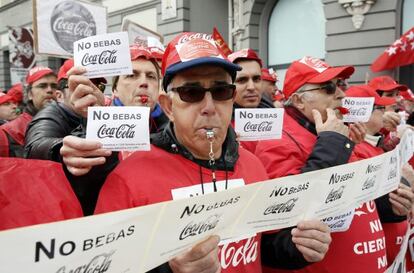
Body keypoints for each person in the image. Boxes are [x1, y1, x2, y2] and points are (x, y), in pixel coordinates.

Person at [91, 33, 331, 273]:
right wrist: (170, 269)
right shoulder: (129, 178)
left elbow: (262, 246)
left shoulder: (252, 164)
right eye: (191, 93)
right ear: (168, 106)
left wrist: (298, 247)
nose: (208, 107)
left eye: (221, 91)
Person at [254, 56, 393, 273]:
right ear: (299, 101)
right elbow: (291, 209)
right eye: (328, 88)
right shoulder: (276, 139)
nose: (341, 94)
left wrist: (393, 207)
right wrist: (333, 144)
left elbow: (359, 198)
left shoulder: (334, 131)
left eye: (340, 85)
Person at [348, 85, 414, 266]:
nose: (386, 113)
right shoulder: (356, 149)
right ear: (363, 114)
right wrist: (405, 180)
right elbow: (376, 198)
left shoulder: (375, 144)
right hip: (379, 243)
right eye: (380, 108)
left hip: (390, 246)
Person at [24, 59, 106, 162]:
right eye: (79, 86)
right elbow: (36, 145)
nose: (91, 91)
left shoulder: (105, 113)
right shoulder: (49, 116)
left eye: (98, 87)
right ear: (59, 96)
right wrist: (61, 150)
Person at [0, 66, 57, 157]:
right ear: (30, 94)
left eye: (54, 86)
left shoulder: (73, 121)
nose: (50, 90)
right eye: (42, 86)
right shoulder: (8, 132)